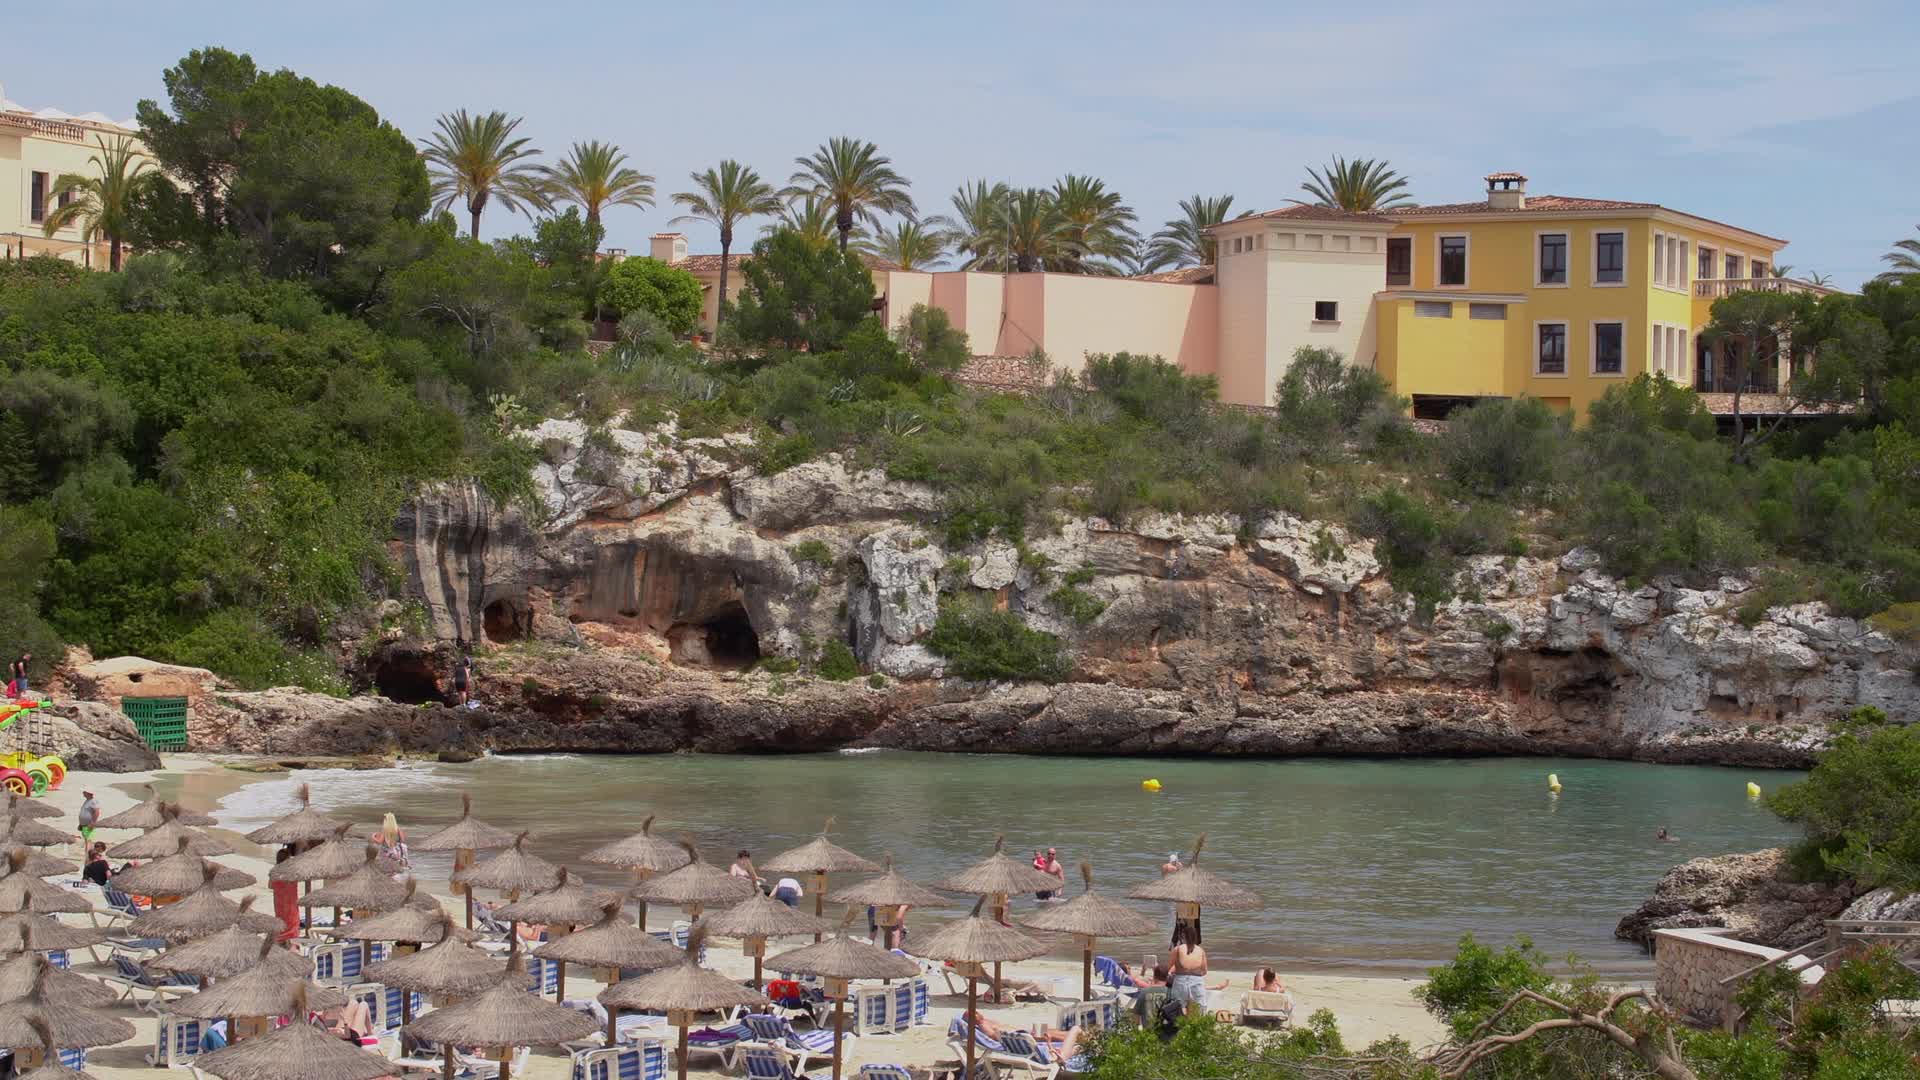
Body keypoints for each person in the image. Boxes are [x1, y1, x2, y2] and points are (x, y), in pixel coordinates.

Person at [960, 1011, 1083, 1064]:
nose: (977, 1012)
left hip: (1020, 1035)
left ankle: (1083, 1037)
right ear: (972, 1018)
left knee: (1056, 1033)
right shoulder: (983, 1025)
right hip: (1021, 1036)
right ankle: (1084, 1036)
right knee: (1059, 1034)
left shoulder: (985, 1022)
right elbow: (995, 1036)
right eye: (974, 1013)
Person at [1167, 925, 1209, 1014]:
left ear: (1183, 936)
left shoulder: (1177, 949)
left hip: (1181, 980)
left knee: (1177, 1008)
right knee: (1200, 1009)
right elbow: (1204, 971)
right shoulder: (1201, 950)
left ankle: (1180, 1026)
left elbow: (1168, 967)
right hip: (1197, 981)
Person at [271, 847, 302, 941]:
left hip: (279, 901)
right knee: (291, 919)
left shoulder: (274, 871)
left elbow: (270, 885)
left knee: (281, 918)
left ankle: (282, 937)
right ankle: (289, 939)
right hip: (290, 901)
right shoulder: (291, 871)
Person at [373, 813, 410, 879]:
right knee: (394, 869)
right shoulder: (398, 829)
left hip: (385, 852)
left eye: (384, 819)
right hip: (395, 852)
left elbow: (380, 841)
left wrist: (373, 836)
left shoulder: (385, 830)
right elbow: (402, 840)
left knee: (385, 869)